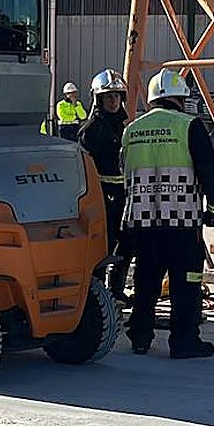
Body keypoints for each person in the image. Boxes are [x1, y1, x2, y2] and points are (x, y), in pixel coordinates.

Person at [122, 69, 214, 358]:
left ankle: (140, 337)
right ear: (180, 99)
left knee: (146, 281)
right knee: (186, 282)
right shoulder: (188, 125)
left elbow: (123, 170)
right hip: (181, 220)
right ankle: (184, 341)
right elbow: (207, 168)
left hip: (141, 221)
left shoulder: (133, 129)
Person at [78, 69, 130, 301]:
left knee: (125, 244)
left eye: (117, 96)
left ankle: (117, 291)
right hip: (101, 195)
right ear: (99, 99)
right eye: (108, 97)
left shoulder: (124, 127)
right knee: (101, 246)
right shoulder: (91, 130)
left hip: (124, 195)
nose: (113, 101)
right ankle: (96, 293)